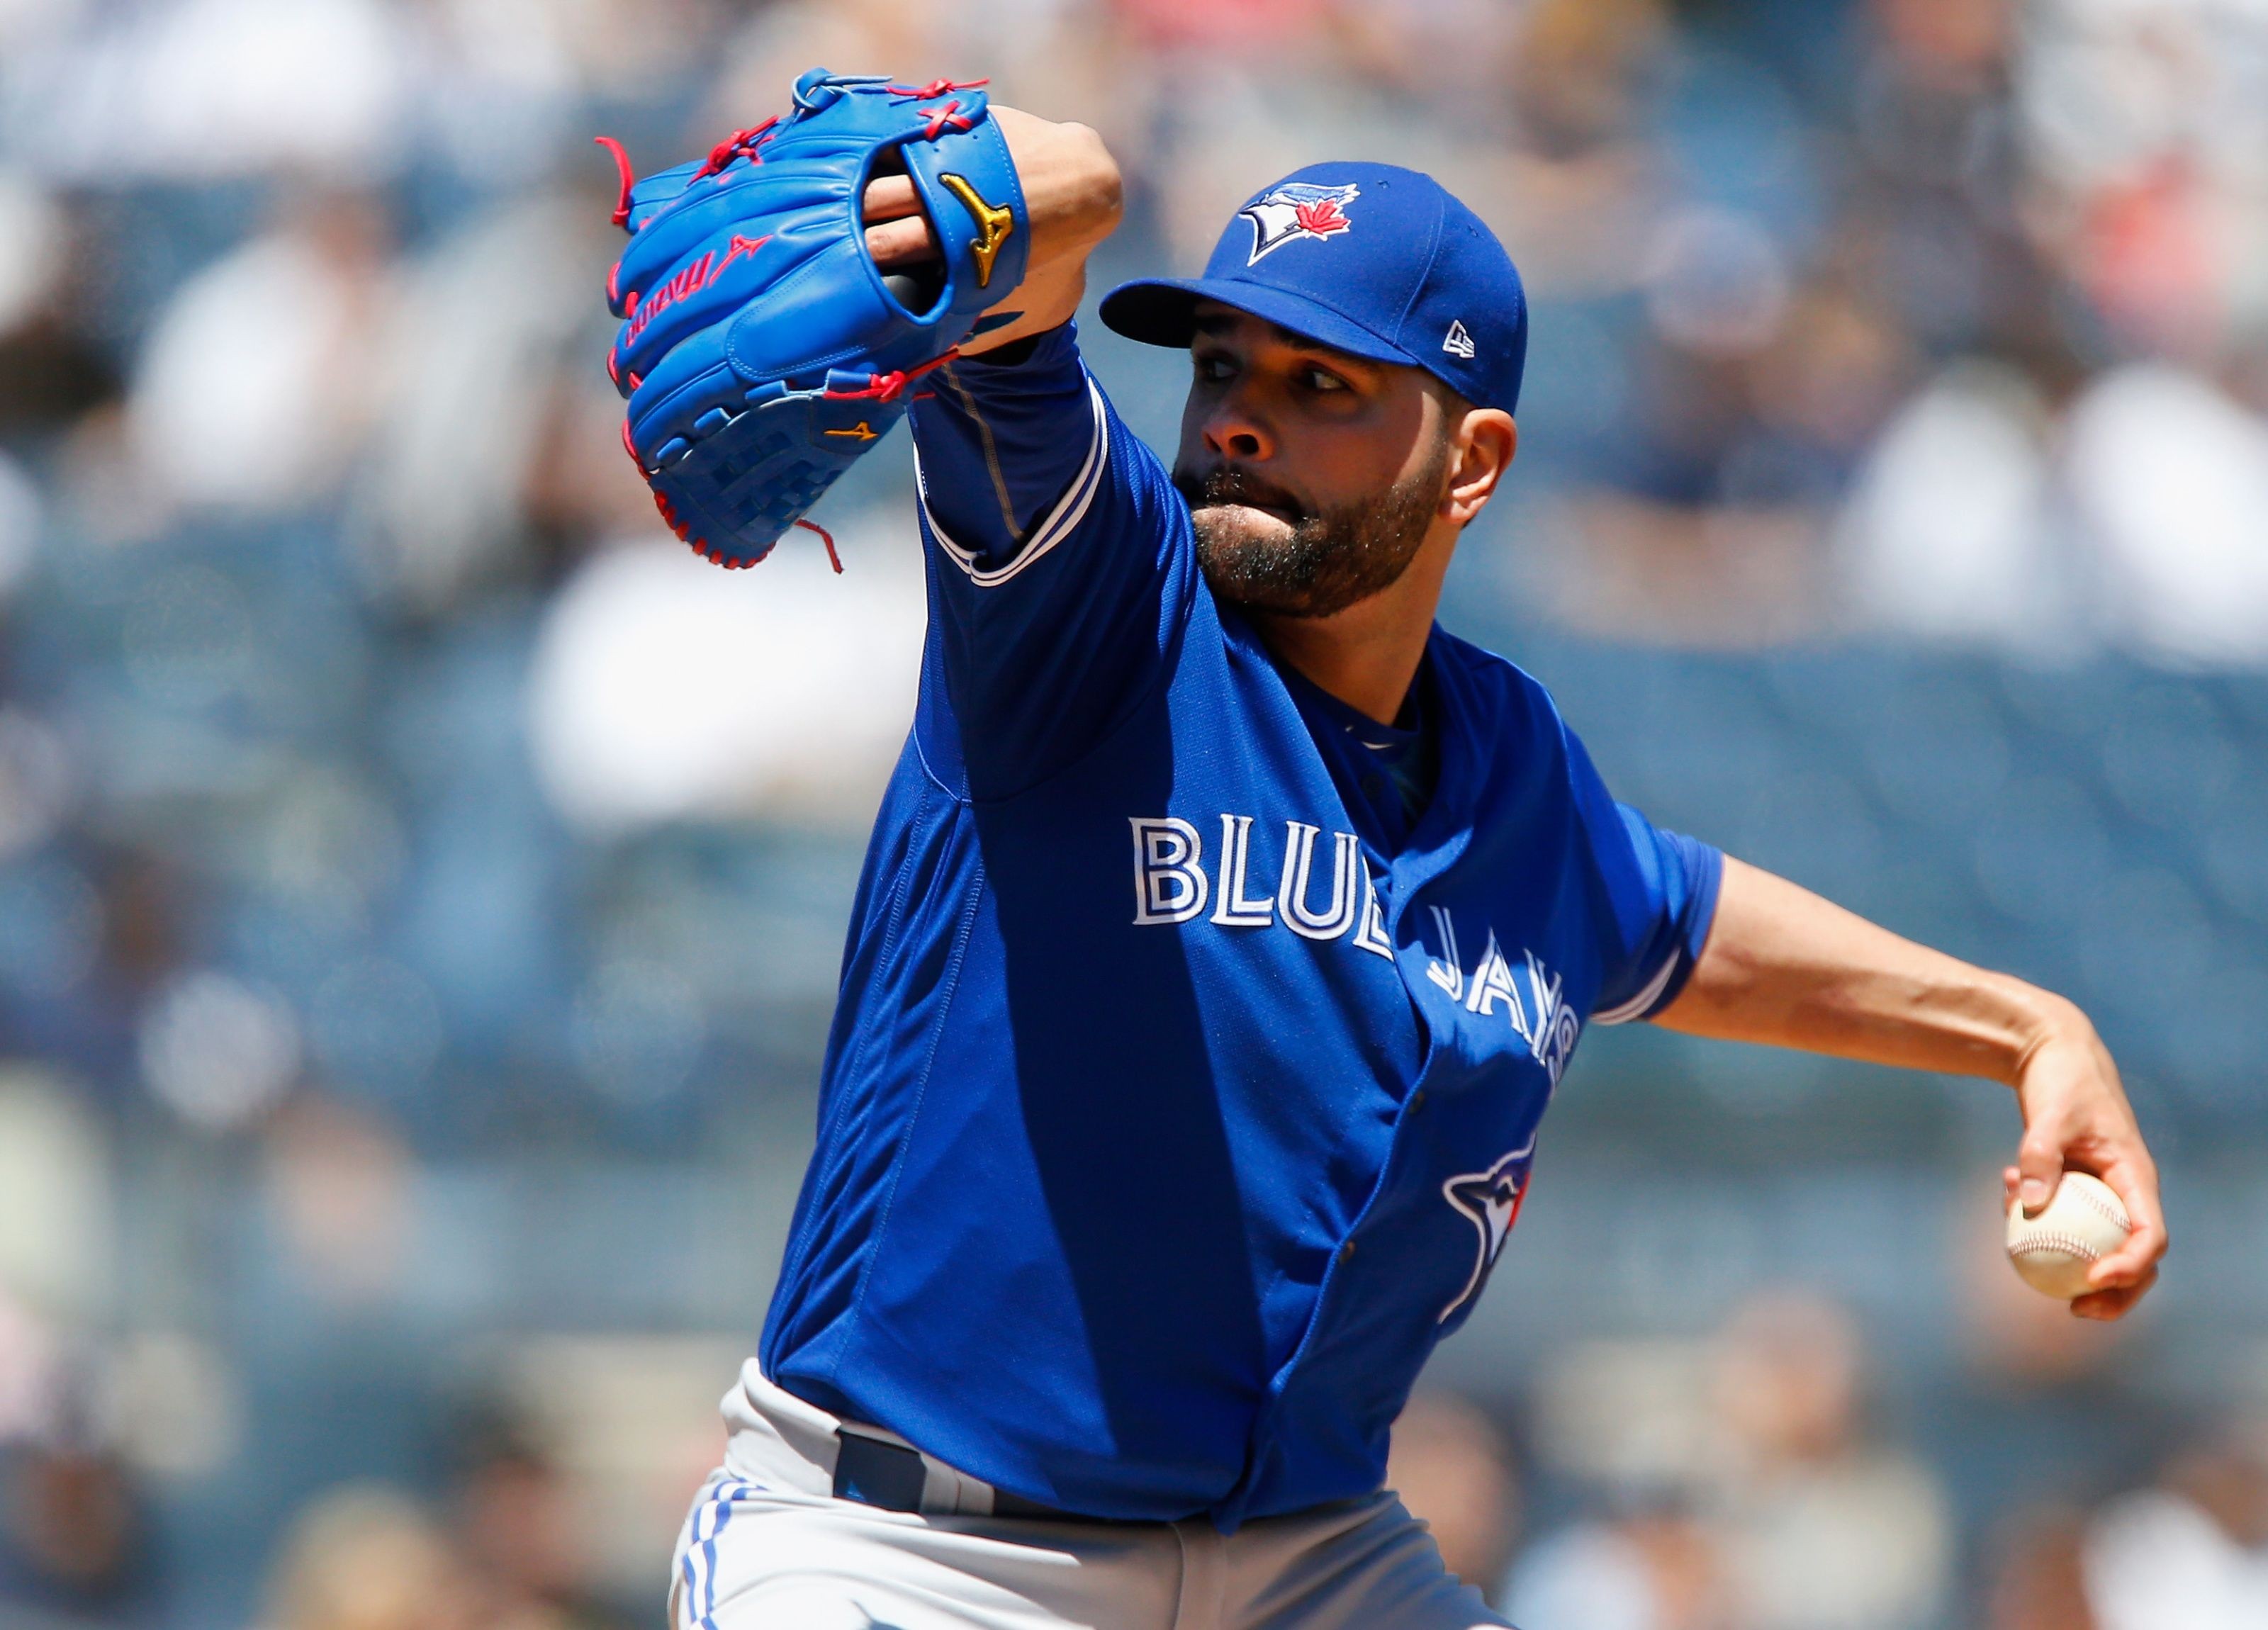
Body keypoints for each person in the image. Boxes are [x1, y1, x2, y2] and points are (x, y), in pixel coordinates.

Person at [666, 94, 2167, 1630]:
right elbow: (1033, 253)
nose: (1241, 419)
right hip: (918, 1554)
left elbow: (1685, 927)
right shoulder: (1094, 611)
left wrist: (2026, 1030)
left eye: (1322, 385)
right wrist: (1088, 173)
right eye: (1222, 370)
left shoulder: (1512, 770)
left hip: (1305, 1563)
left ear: (1471, 462)